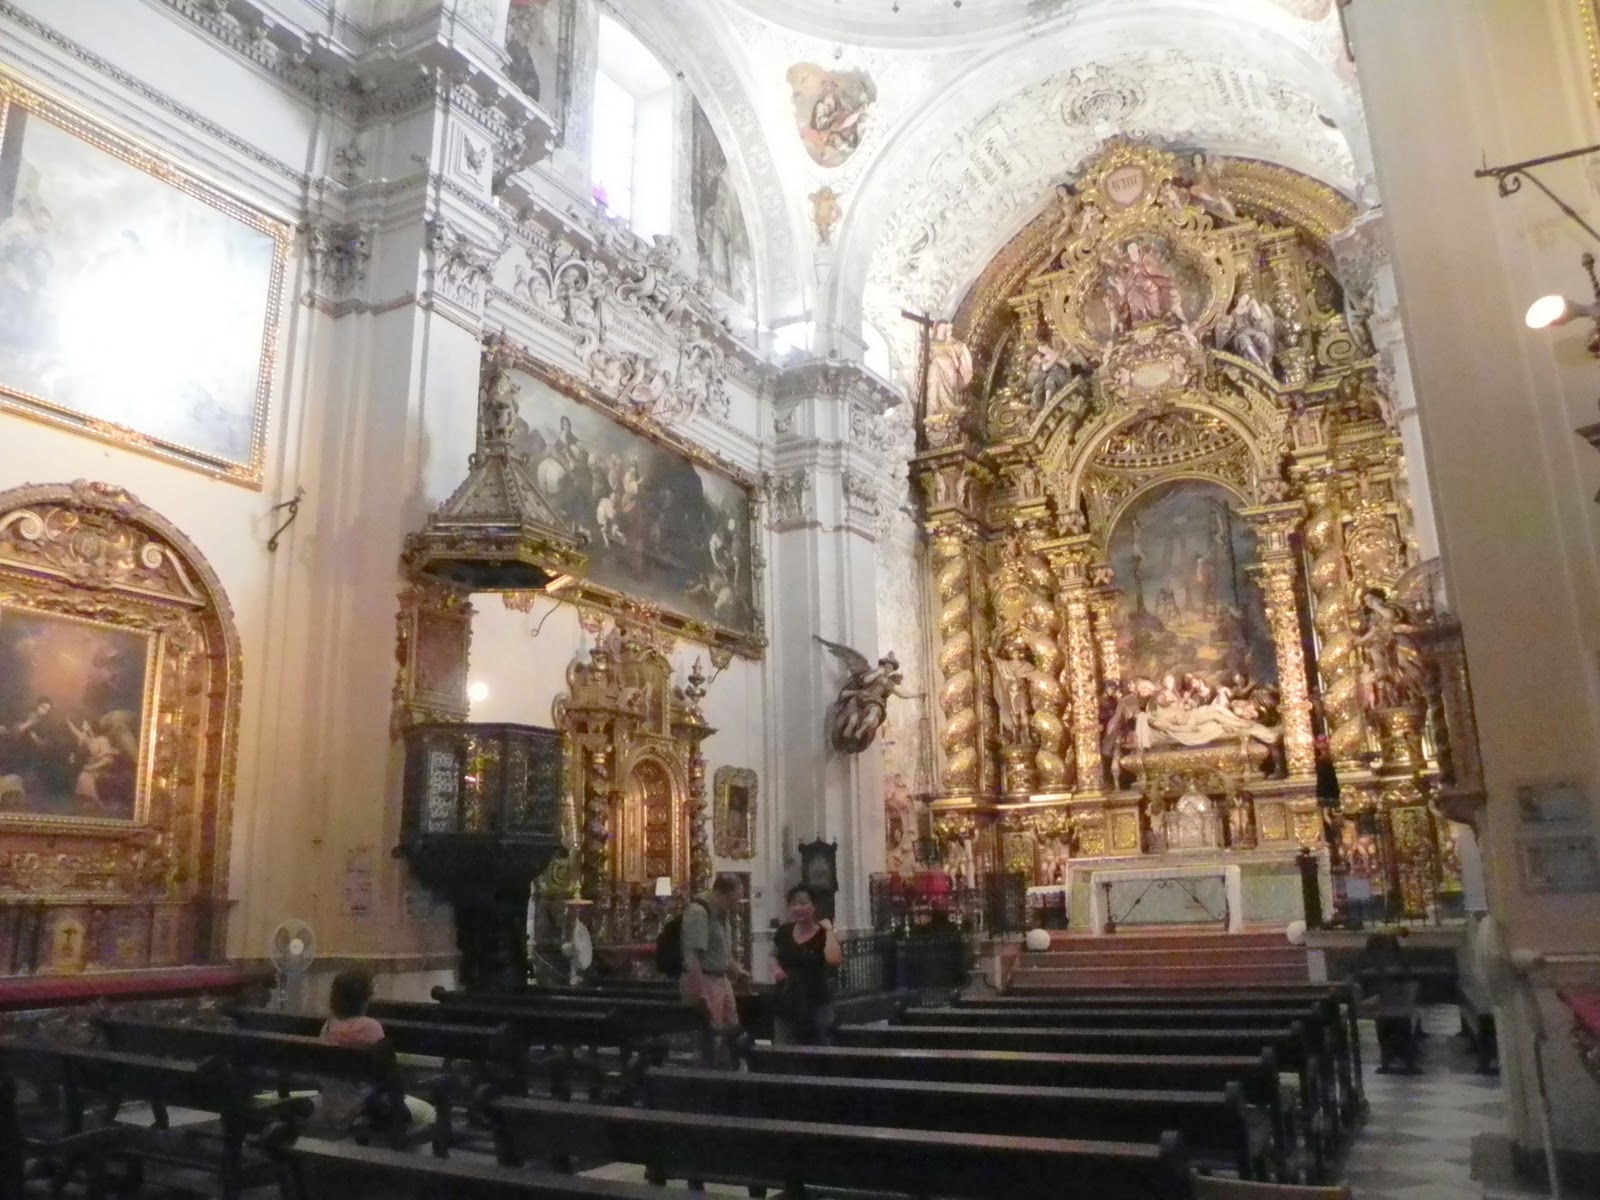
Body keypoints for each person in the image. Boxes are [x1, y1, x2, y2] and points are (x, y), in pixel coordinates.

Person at [315, 970, 436, 1135]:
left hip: (332, 1107)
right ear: (365, 998)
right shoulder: (370, 1027)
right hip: (363, 1108)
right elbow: (388, 1071)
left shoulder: (327, 1027)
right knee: (430, 1113)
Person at [680, 874, 749, 1067]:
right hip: (705, 980)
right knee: (710, 1036)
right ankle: (709, 1081)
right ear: (721, 893)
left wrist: (737, 970)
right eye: (733, 899)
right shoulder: (699, 912)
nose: (736, 904)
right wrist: (699, 992)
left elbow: (722, 952)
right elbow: (691, 956)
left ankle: (727, 1076)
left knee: (730, 1033)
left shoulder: (721, 913)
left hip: (721, 981)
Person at [770, 885, 842, 1045]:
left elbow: (834, 959)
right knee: (783, 1051)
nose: (799, 908)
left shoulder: (823, 934)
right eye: (794, 904)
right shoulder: (784, 931)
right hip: (786, 1000)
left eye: (803, 903)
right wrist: (776, 968)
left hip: (816, 1001)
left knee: (822, 1050)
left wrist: (830, 930)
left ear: (814, 906)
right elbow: (773, 955)